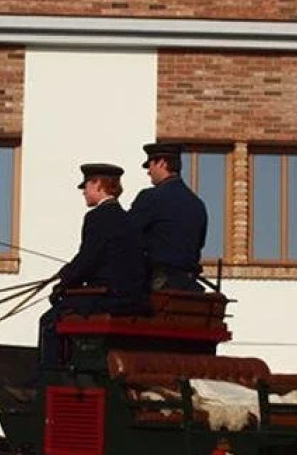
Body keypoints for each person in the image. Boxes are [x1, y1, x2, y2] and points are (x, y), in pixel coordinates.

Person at [38, 162, 150, 364]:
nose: (84, 192)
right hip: (130, 297)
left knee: (48, 321)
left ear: (98, 184)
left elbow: (88, 260)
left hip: (107, 297)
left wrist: (64, 280)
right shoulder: (128, 219)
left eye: (87, 186)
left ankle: (51, 373)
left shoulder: (97, 217)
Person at [126, 142, 209, 292]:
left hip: (158, 283)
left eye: (150, 165)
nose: (148, 172)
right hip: (188, 284)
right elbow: (199, 244)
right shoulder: (197, 204)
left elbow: (127, 235)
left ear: (162, 163)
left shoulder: (151, 197)